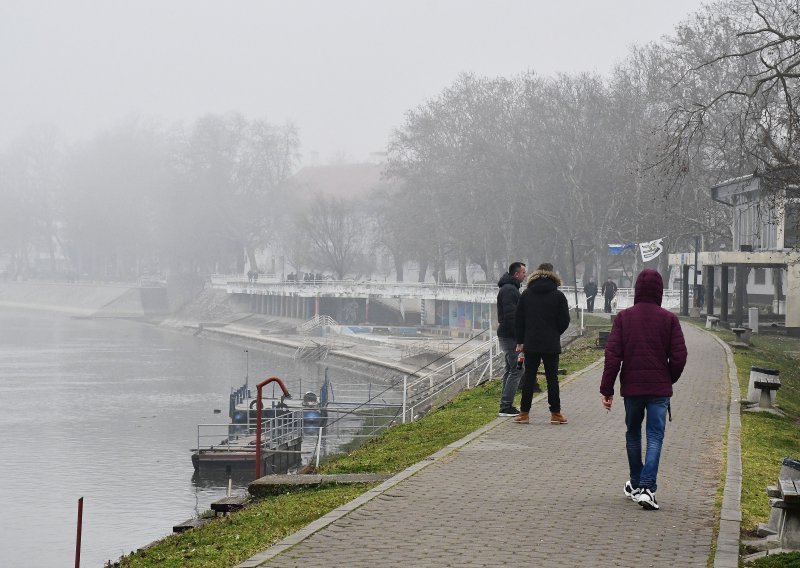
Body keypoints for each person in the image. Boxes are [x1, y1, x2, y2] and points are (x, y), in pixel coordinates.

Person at [600, 269, 687, 511]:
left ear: (637, 289)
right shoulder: (669, 320)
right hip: (659, 391)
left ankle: (637, 484)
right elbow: (680, 356)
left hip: (633, 389)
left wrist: (607, 389)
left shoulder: (624, 318)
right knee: (655, 436)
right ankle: (647, 487)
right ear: (659, 291)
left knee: (633, 433)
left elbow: (612, 356)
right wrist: (667, 379)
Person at [513, 262, 570, 425]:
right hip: (551, 343)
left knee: (529, 377)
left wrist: (520, 340)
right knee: (552, 378)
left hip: (531, 343)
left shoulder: (526, 294)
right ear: (553, 275)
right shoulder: (558, 296)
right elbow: (565, 320)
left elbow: (519, 320)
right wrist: (554, 332)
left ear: (535, 274)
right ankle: (555, 413)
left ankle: (524, 413)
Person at [496, 262, 527, 417]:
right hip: (511, 336)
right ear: (516, 274)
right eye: (523, 272)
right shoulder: (509, 290)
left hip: (507, 335)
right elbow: (511, 316)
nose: (525, 275)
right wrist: (519, 339)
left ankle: (505, 404)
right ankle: (506, 406)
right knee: (517, 370)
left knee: (510, 370)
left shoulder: (510, 288)